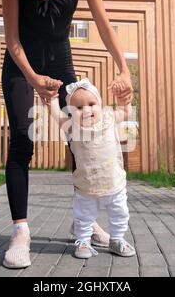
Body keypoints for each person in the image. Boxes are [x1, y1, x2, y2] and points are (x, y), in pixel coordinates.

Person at [1, 0, 134, 268]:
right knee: (23, 139)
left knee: (81, 137)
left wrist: (124, 70)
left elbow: (103, 24)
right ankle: (20, 230)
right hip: (20, 64)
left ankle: (81, 222)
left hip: (60, 61)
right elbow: (11, 39)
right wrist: (33, 78)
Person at [49, 78, 136, 259]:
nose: (87, 110)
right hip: (86, 186)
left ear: (100, 103)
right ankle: (82, 241)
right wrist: (52, 99)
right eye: (79, 108)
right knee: (83, 216)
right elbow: (57, 115)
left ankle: (117, 239)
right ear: (71, 111)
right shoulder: (72, 127)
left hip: (114, 182)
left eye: (91, 104)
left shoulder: (109, 118)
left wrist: (122, 99)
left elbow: (125, 111)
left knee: (120, 213)